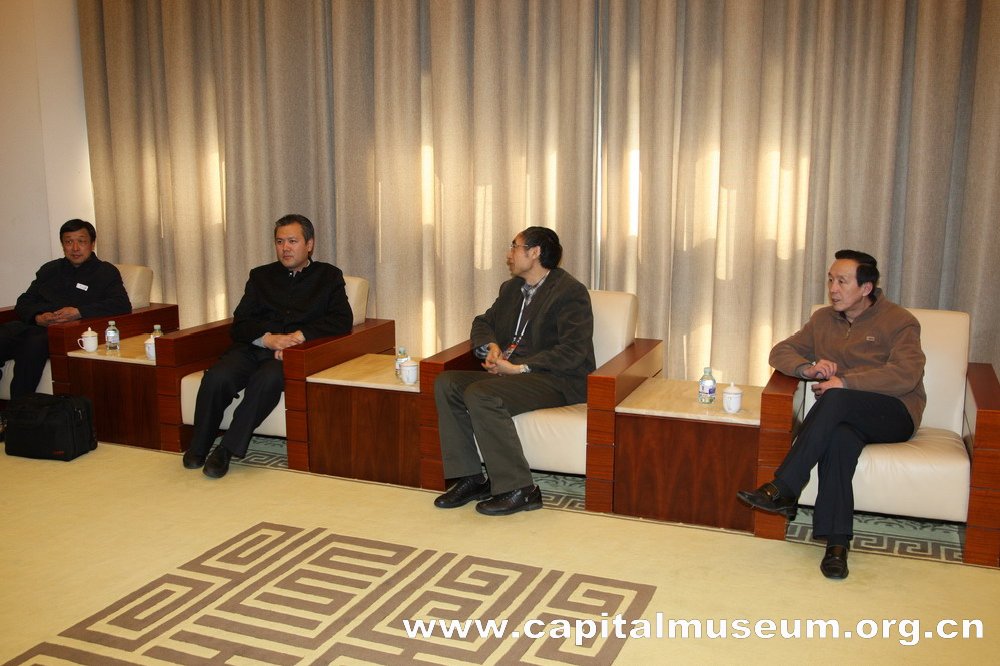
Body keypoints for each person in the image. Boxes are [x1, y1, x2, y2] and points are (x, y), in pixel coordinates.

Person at [737, 249, 926, 580]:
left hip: (893, 413)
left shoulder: (899, 321)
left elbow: (906, 375)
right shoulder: (823, 319)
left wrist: (846, 382)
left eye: (842, 281)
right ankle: (836, 545)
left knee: (836, 396)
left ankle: (786, 485)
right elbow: (780, 351)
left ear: (866, 288)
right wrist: (807, 368)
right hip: (842, 418)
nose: (833, 289)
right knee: (838, 440)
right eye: (830, 280)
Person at [433, 227, 595, 516]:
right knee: (447, 382)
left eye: (514, 246)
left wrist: (520, 368)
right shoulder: (511, 289)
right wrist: (491, 347)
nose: (509, 254)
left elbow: (574, 351)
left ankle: (520, 489)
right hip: (514, 374)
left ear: (535, 253)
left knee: (482, 394)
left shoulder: (570, 292)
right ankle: (470, 478)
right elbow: (483, 322)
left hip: (556, 379)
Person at [183, 214, 354, 478]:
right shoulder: (261, 276)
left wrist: (299, 337)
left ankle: (226, 449)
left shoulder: (328, 276)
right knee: (217, 377)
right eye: (279, 241)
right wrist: (266, 339)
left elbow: (341, 320)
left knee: (267, 380)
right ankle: (199, 444)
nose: (285, 248)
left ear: (309, 244)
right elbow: (240, 323)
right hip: (252, 348)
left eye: (292, 241)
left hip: (289, 356)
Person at [0, 219, 131, 398]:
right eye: (69, 242)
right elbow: (24, 302)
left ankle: (19, 408)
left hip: (70, 332)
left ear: (92, 244)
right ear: (63, 245)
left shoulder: (105, 272)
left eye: (81, 241)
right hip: (37, 325)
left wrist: (78, 312)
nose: (75, 248)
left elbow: (121, 304)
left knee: (33, 344)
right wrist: (37, 317)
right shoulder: (50, 269)